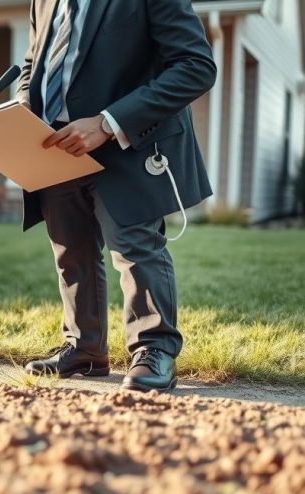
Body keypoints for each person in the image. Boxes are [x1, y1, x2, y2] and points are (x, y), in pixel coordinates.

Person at [16, 0, 217, 391]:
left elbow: (196, 67)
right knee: (70, 250)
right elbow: (32, 63)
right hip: (56, 144)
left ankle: (153, 349)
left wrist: (108, 123)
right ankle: (84, 349)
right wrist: (27, 103)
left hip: (128, 142)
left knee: (134, 245)